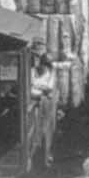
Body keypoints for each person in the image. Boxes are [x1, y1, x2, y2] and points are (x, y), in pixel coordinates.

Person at [29, 38, 57, 168]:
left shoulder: (51, 72)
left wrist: (38, 86)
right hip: (37, 100)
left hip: (46, 102)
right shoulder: (33, 71)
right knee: (36, 129)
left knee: (46, 129)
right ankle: (37, 157)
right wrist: (42, 87)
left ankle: (45, 156)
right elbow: (32, 85)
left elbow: (49, 87)